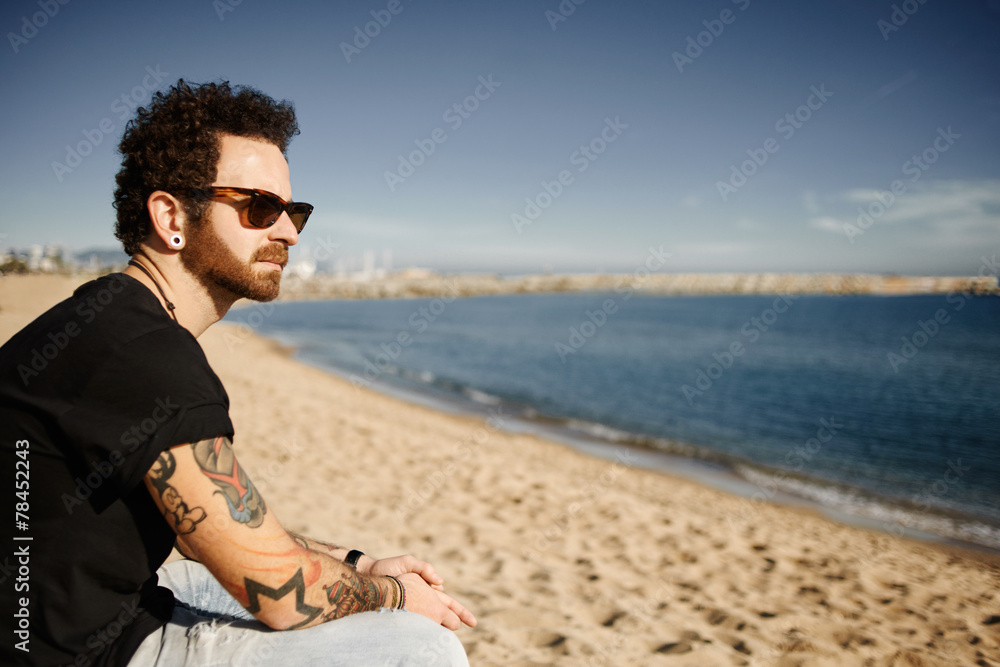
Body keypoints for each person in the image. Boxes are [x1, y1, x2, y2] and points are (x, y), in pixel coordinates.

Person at [0, 79, 475, 666]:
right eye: (260, 208)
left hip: (78, 605)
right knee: (420, 646)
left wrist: (362, 565)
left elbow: (206, 527)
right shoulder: (146, 355)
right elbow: (281, 593)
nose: (289, 232)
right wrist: (397, 596)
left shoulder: (104, 320)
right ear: (170, 215)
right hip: (82, 649)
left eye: (294, 211)